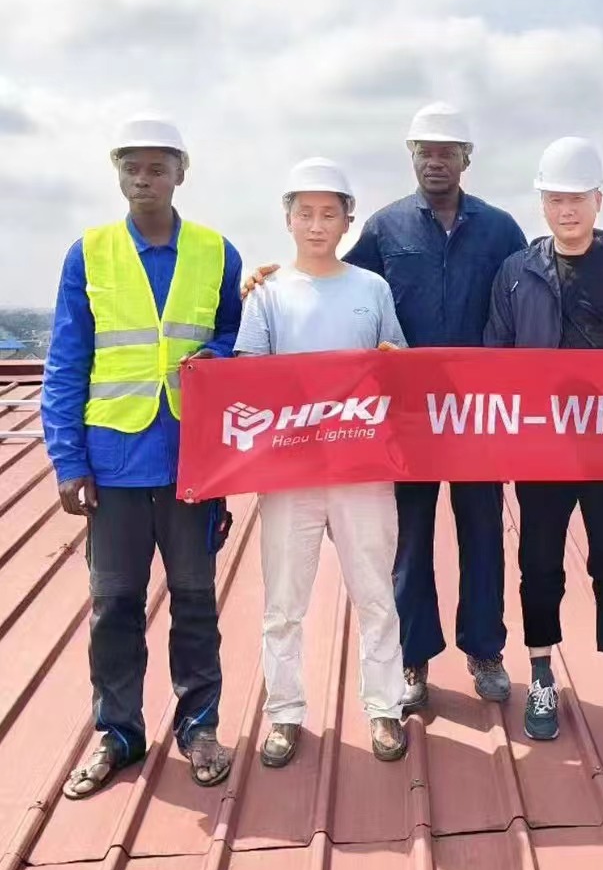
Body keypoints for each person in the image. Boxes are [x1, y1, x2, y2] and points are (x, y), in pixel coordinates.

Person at [242, 103, 526, 713]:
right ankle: (414, 659)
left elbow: (535, 280)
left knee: (483, 534)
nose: (434, 159)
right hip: (403, 418)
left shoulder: (501, 229)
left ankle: (485, 651)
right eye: (424, 149)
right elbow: (331, 282)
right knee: (409, 538)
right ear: (411, 154)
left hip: (478, 416)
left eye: (447, 150)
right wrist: (264, 276)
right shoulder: (386, 228)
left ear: (466, 159)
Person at [41, 114, 241, 799]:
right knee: (114, 605)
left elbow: (235, 343)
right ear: (118, 174)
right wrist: (68, 459)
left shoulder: (218, 252)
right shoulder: (88, 253)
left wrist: (214, 359)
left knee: (194, 602)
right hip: (114, 462)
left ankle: (200, 726)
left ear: (181, 172)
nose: (144, 178)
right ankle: (119, 731)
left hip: (192, 462)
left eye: (157, 166)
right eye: (132, 166)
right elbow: (67, 361)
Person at [235, 158, 408, 764]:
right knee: (284, 601)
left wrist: (390, 359)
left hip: (362, 473)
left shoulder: (372, 289)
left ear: (346, 220)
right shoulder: (267, 294)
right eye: (304, 213)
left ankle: (385, 708)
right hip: (290, 476)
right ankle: (283, 713)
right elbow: (247, 381)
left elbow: (399, 369)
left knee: (375, 594)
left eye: (328, 213)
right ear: (288, 219)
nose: (316, 224)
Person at [484, 137, 603, 742]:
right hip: (542, 450)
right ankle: (541, 678)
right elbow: (496, 360)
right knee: (539, 565)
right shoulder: (516, 272)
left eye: (578, 198)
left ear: (598, 200)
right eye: (556, 199)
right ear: (542, 203)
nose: (567, 210)